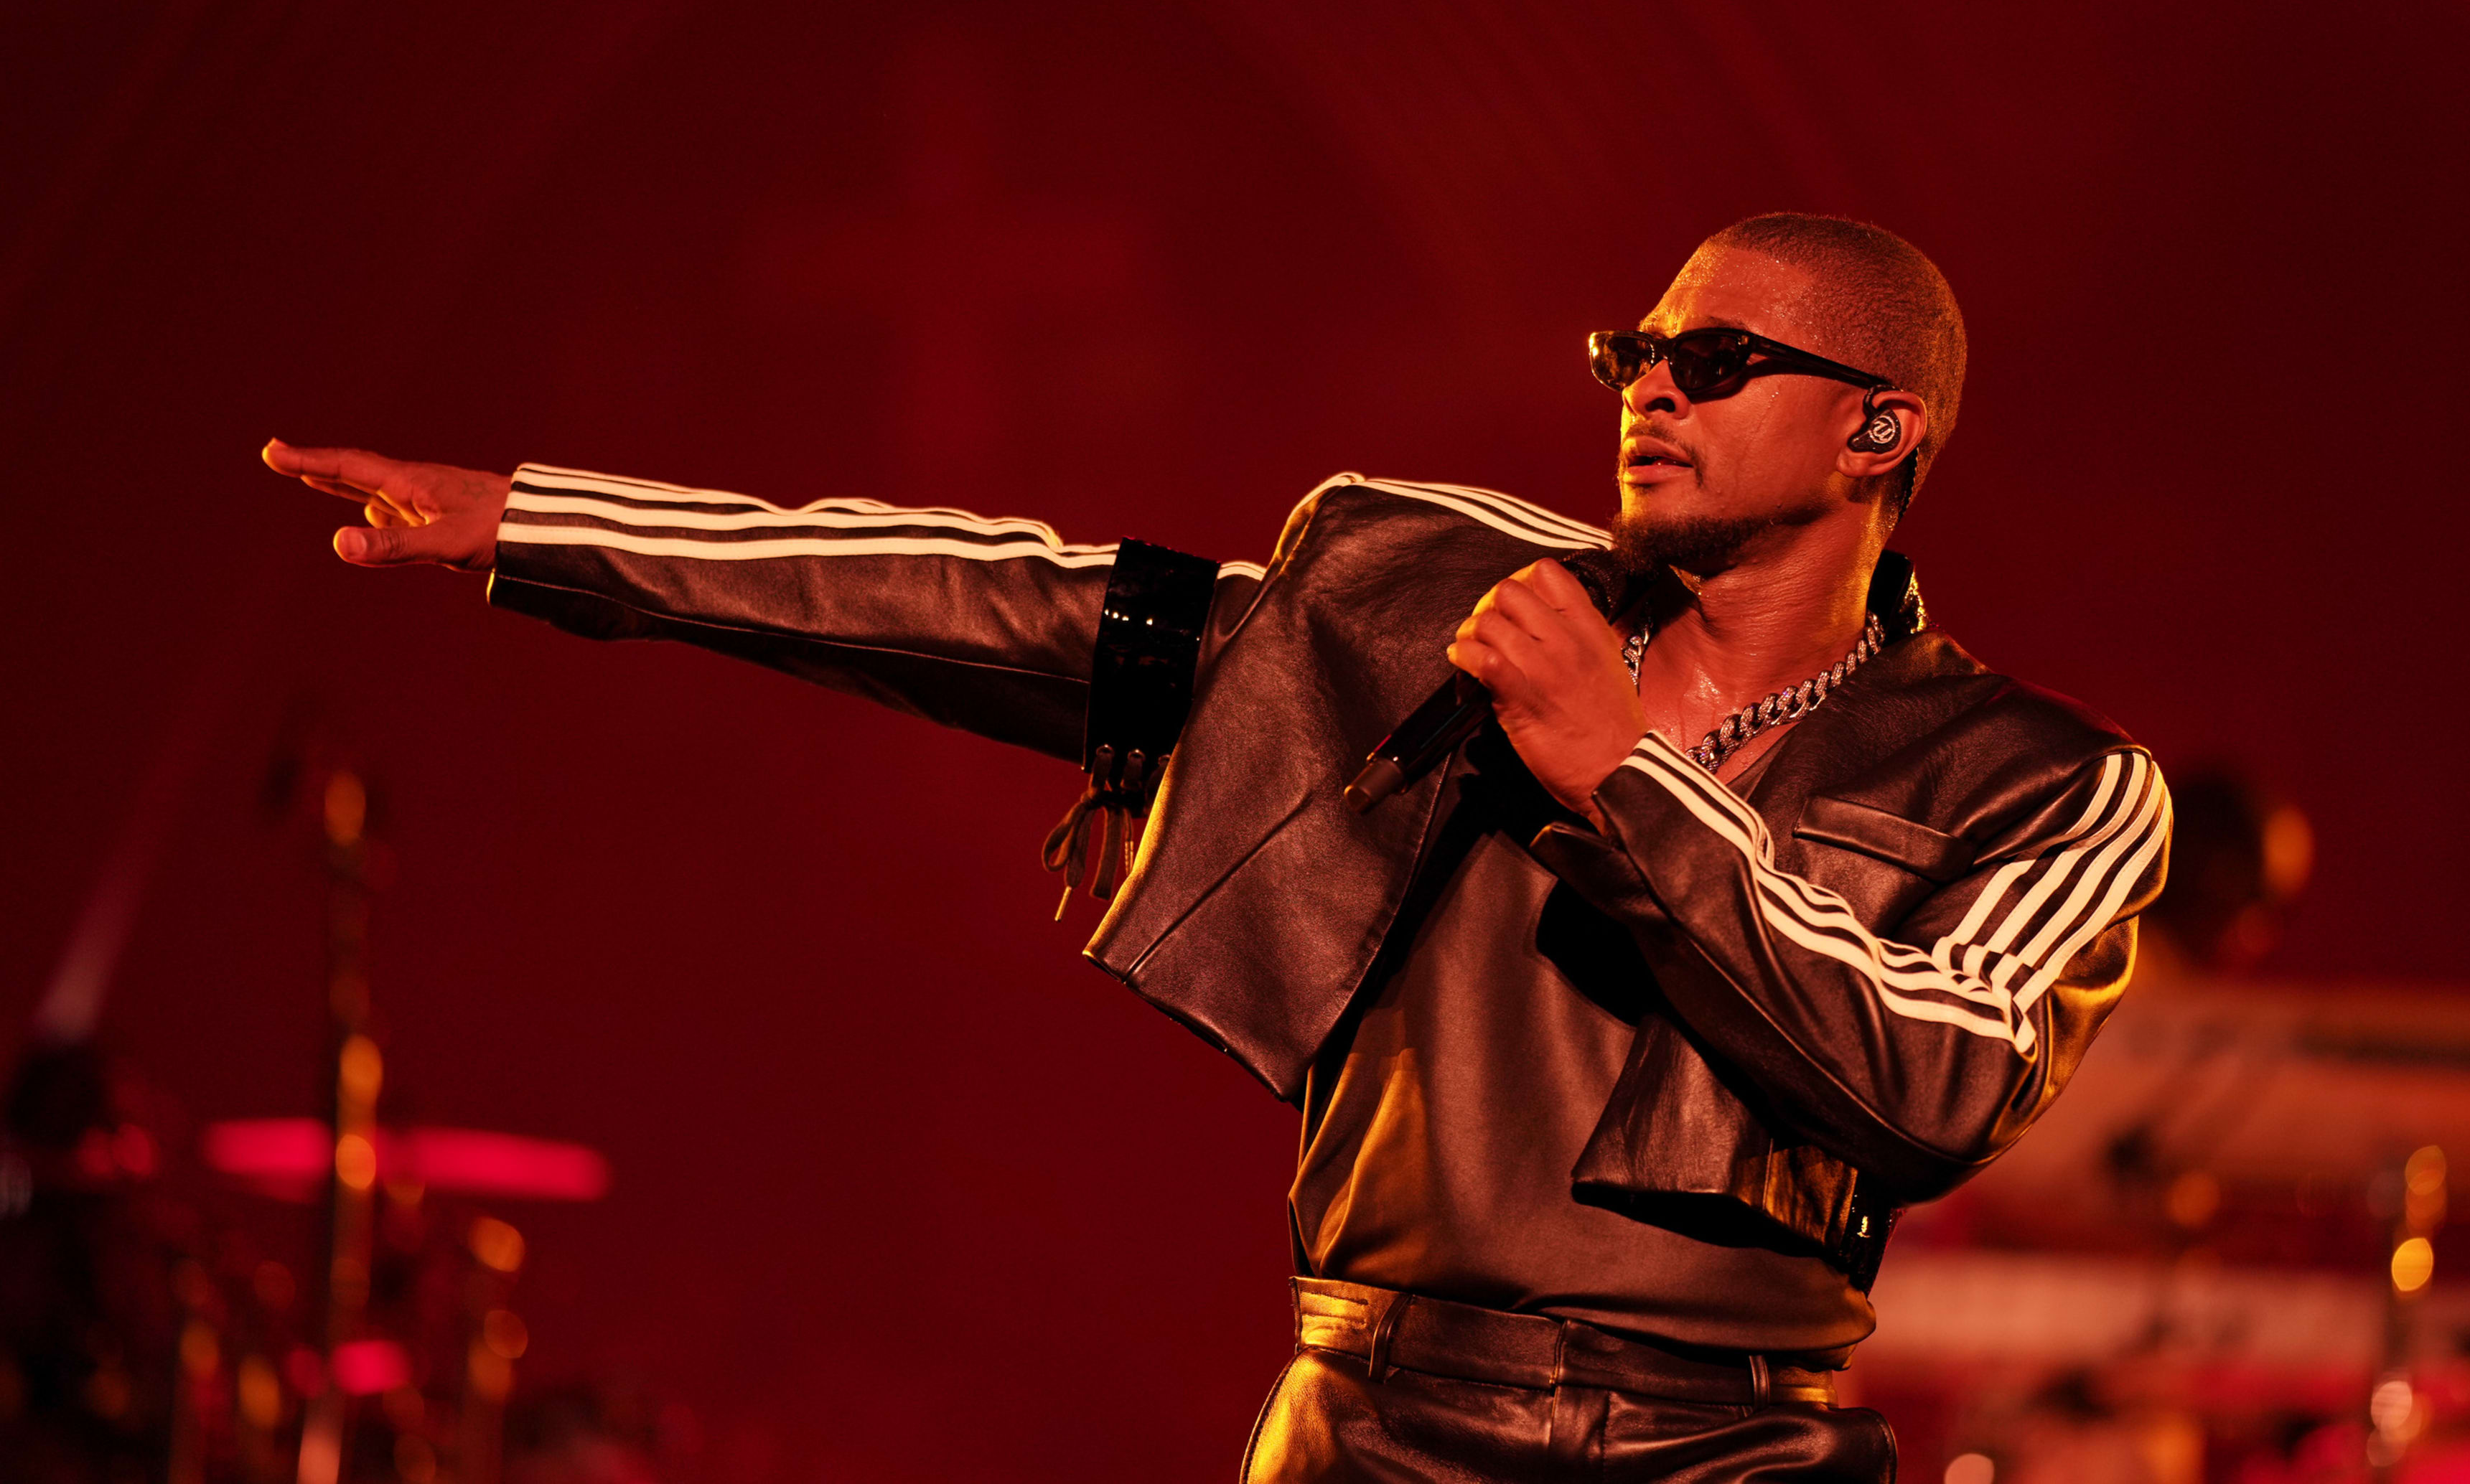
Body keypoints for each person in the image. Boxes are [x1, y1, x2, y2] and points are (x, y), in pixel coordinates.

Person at [262, 213, 2171, 1483]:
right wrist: (544, 521)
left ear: (1879, 431)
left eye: (1719, 356)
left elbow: (1940, 1073)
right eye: (1635, 348)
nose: (1648, 386)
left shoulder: (2049, 783)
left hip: (1735, 1453)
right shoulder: (1447, 606)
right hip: (1374, 1422)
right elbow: (1008, 605)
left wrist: (1624, 777)